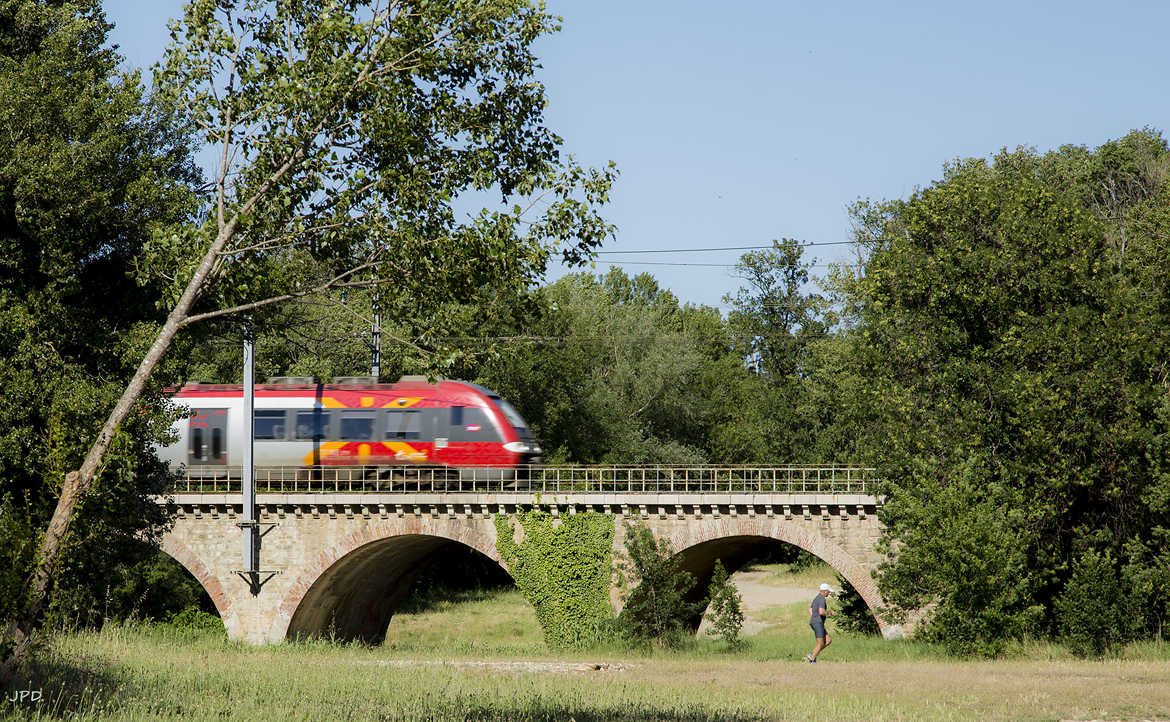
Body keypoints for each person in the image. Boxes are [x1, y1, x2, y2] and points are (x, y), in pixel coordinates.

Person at [807, 582, 834, 663]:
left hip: (817, 622)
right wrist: (830, 613)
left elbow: (810, 609)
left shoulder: (817, 598)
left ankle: (812, 654)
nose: (829, 593)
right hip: (817, 623)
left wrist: (814, 617)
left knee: (828, 640)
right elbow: (821, 611)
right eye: (828, 592)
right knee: (821, 643)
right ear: (825, 591)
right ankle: (812, 660)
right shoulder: (822, 598)